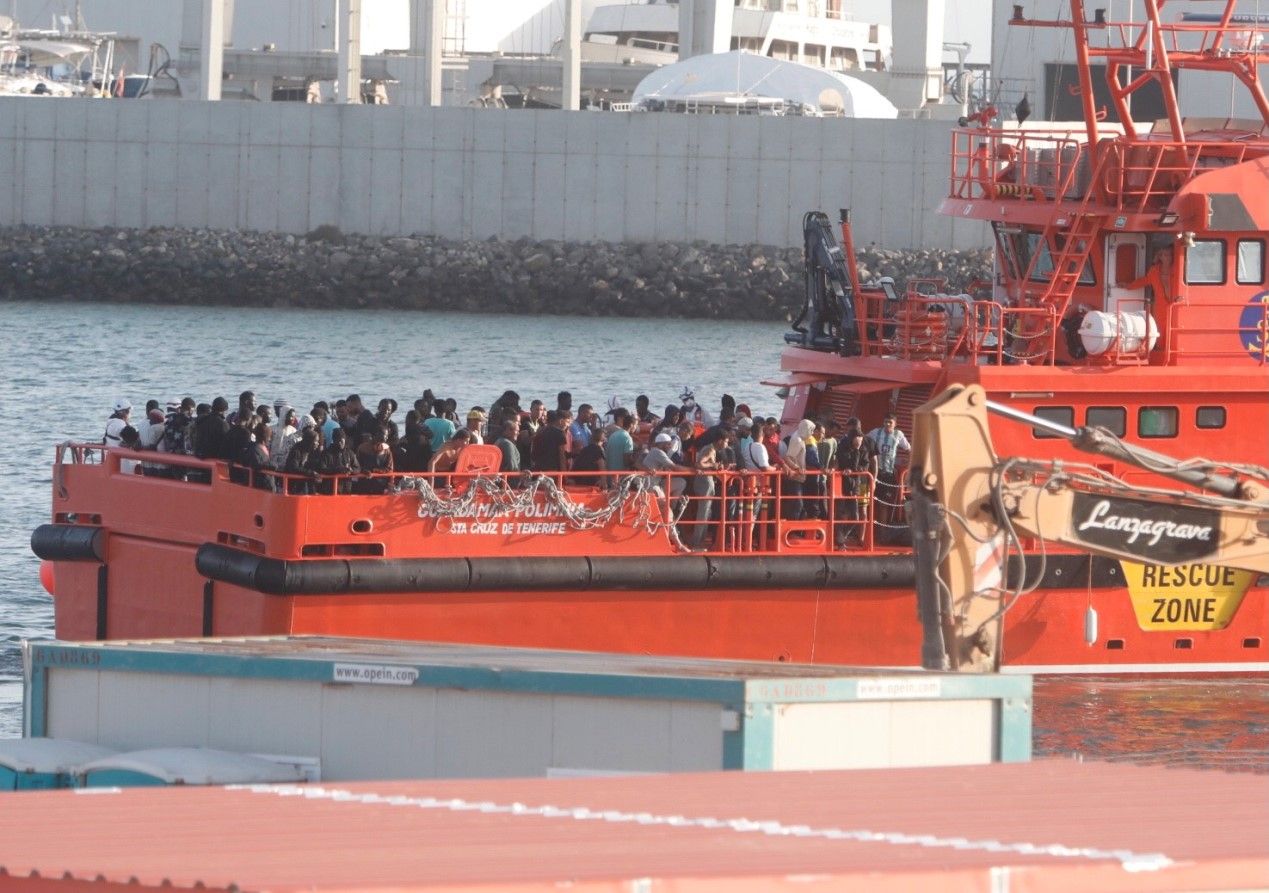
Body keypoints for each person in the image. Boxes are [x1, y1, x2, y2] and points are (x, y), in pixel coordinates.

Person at [866, 414, 911, 526]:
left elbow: (909, 449)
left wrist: (908, 462)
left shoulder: (898, 434)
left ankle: (882, 530)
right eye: (886, 422)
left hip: (888, 474)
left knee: (884, 503)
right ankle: (868, 528)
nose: (887, 424)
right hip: (875, 472)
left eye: (890, 422)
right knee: (867, 501)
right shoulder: (876, 432)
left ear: (895, 424)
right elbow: (864, 441)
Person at [836, 430, 873, 546]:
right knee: (841, 514)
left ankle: (843, 535)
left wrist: (857, 450)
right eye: (857, 440)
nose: (859, 442)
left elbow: (863, 467)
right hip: (842, 484)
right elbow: (845, 463)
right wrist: (849, 469)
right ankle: (839, 540)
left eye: (861, 440)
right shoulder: (843, 449)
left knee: (855, 516)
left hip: (854, 485)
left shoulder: (863, 451)